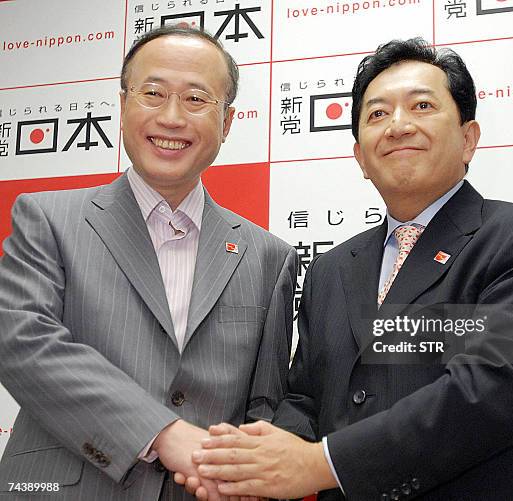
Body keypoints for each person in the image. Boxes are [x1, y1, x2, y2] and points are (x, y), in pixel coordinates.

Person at [188, 38, 513, 501]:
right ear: (360, 158)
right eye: (378, 114)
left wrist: (320, 464)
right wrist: (256, 466)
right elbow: (306, 398)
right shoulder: (330, 270)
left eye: (421, 106)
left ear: (469, 139)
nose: (398, 126)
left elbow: (495, 394)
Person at [0, 26, 296, 501]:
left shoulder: (269, 257)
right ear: (122, 106)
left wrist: (242, 474)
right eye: (153, 94)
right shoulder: (47, 218)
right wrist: (163, 433)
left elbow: (263, 407)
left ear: (227, 122)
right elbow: (21, 341)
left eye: (197, 99)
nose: (172, 117)